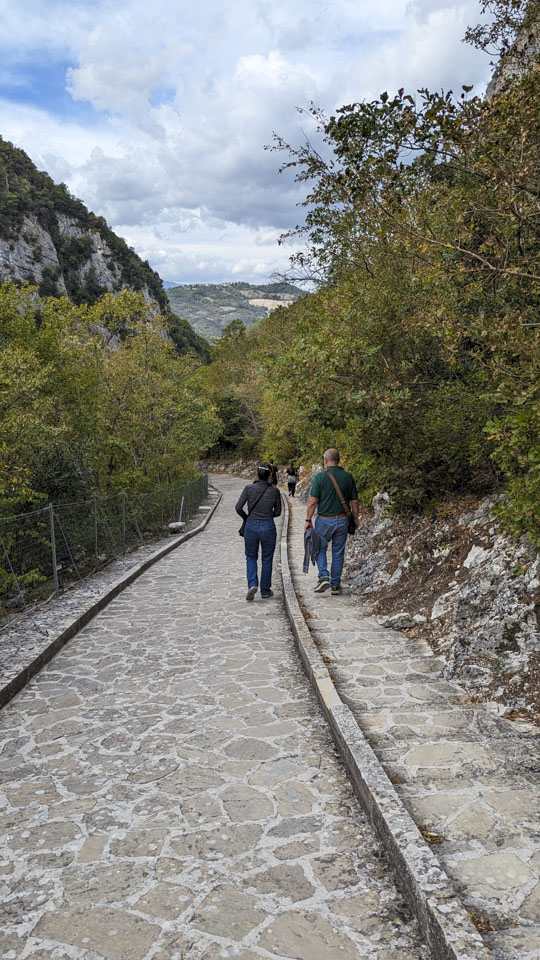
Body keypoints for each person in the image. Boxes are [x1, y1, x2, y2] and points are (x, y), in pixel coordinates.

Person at [304, 448, 359, 596]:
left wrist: (308, 520)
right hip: (342, 520)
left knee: (320, 548)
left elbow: (312, 501)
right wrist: (355, 518)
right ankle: (335, 585)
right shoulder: (348, 477)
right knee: (338, 553)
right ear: (338, 460)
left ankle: (323, 576)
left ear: (325, 460)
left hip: (324, 520)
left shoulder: (320, 477)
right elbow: (354, 501)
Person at [235, 463, 282, 601]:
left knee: (251, 557)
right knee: (267, 559)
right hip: (268, 526)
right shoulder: (274, 491)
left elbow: (238, 507)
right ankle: (266, 590)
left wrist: (247, 517)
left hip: (250, 526)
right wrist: (267, 514)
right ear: (270, 475)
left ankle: (252, 584)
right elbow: (278, 512)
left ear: (257, 474)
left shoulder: (249, 488)